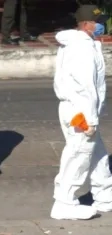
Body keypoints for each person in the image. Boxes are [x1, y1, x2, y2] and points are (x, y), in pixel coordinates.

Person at [52, 5, 112, 220]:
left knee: (97, 154)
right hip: (80, 110)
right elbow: (85, 86)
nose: (101, 25)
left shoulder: (83, 43)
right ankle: (64, 203)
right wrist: (91, 117)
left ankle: (105, 196)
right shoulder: (82, 48)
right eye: (98, 22)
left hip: (79, 107)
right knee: (78, 155)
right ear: (86, 24)